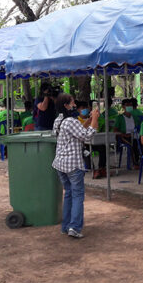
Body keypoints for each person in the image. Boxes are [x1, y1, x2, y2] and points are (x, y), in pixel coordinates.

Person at [52, 93, 99, 239]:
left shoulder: (59, 120)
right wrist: (96, 120)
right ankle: (75, 227)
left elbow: (78, 132)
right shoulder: (70, 121)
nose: (75, 106)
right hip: (73, 164)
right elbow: (86, 136)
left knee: (69, 194)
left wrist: (89, 121)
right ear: (66, 105)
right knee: (78, 195)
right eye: (73, 103)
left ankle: (66, 226)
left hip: (60, 164)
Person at [115, 98, 140, 167]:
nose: (129, 106)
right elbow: (115, 130)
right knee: (134, 144)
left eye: (130, 105)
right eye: (127, 105)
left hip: (135, 136)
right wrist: (124, 135)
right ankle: (135, 162)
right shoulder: (119, 118)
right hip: (124, 137)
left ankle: (142, 160)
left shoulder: (134, 117)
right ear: (123, 107)